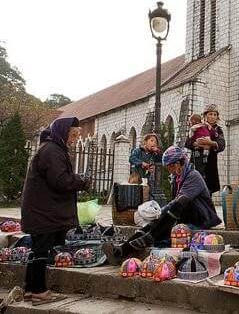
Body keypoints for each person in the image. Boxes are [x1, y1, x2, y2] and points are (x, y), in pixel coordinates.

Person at [103, 145, 221, 264]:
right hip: (186, 217)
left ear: (179, 163)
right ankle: (122, 250)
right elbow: (174, 204)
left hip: (202, 218)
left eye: (170, 166)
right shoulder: (178, 178)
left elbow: (178, 203)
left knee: (174, 212)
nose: (169, 170)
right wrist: (160, 214)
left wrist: (163, 214)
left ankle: (148, 238)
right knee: (153, 224)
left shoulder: (193, 176)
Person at [21, 117, 91, 305]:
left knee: (38, 250)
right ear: (63, 133)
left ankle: (30, 289)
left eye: (78, 135)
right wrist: (82, 181)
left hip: (42, 209)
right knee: (41, 251)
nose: (75, 138)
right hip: (43, 211)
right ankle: (39, 291)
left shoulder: (51, 149)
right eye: (73, 134)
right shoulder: (52, 151)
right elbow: (60, 180)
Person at [184, 104, 225, 195]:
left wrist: (210, 143)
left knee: (207, 190)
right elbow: (187, 142)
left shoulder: (218, 130)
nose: (213, 117)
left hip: (210, 162)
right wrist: (196, 144)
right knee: (194, 187)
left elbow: (222, 145)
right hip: (196, 161)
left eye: (215, 115)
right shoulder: (197, 126)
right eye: (210, 114)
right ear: (205, 115)